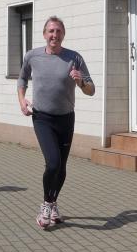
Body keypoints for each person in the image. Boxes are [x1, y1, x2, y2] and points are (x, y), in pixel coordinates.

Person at [17, 16, 94, 229]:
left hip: (66, 119)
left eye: (58, 31)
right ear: (44, 34)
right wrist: (22, 100)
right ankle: (46, 205)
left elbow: (91, 90)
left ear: (63, 34)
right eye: (51, 31)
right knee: (53, 163)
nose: (54, 35)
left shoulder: (74, 58)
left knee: (62, 168)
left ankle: (52, 204)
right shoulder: (32, 56)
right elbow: (22, 79)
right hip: (42, 118)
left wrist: (80, 82)